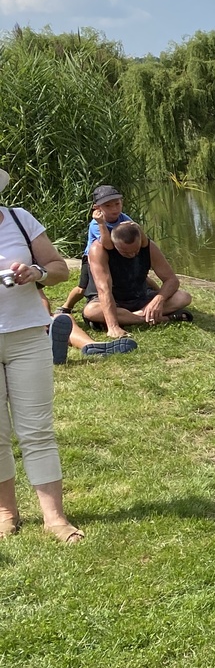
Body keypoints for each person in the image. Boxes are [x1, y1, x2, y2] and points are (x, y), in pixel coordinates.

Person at [0, 169, 81, 543]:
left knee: (37, 430)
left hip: (28, 337)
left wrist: (35, 272)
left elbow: (60, 269)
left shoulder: (20, 219)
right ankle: (6, 513)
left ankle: (55, 518)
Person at [82, 221, 193, 337]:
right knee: (91, 311)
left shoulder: (149, 247)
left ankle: (130, 317)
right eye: (125, 252)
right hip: (113, 301)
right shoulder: (99, 250)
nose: (132, 255)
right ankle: (154, 318)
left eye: (136, 250)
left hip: (140, 297)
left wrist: (158, 301)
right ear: (114, 245)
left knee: (183, 297)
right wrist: (113, 326)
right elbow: (104, 289)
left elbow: (172, 280)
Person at [60, 184, 132, 316]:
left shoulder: (124, 218)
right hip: (92, 259)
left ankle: (158, 294)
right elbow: (108, 245)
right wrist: (101, 223)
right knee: (82, 288)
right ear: (97, 208)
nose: (114, 209)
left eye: (117, 204)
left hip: (112, 257)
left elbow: (135, 232)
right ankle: (66, 306)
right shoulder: (95, 224)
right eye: (108, 206)